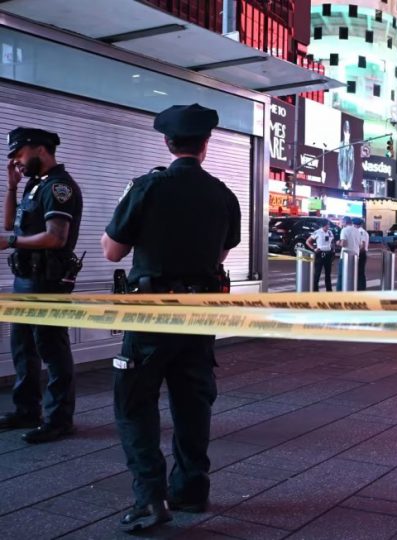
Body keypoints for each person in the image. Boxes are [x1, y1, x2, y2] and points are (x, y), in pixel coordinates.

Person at [101, 104, 241, 532]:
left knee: (134, 403)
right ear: (205, 144)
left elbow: (112, 251)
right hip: (199, 317)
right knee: (193, 404)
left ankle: (150, 498)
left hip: (150, 317)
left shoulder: (147, 187)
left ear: (167, 142)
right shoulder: (223, 194)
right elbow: (220, 254)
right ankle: (191, 490)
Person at [0, 127, 83, 444]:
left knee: (52, 349)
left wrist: (9, 242)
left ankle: (59, 419)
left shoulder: (59, 187)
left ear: (40, 149)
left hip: (48, 281)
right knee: (22, 348)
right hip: (25, 278)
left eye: (20, 155)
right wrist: (11, 188)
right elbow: (11, 224)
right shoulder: (34, 185)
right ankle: (26, 411)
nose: (17, 162)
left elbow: (55, 237)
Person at [306, 219, 334, 291]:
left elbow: (332, 242)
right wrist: (313, 249)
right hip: (320, 254)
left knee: (328, 274)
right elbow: (307, 241)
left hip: (328, 254)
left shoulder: (330, 232)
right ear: (324, 225)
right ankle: (315, 290)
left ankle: (329, 290)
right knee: (317, 274)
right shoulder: (317, 232)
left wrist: (332, 250)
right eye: (328, 224)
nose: (329, 225)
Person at [336, 216, 361, 290]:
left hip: (345, 257)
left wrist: (338, 243)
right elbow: (360, 244)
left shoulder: (344, 230)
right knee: (352, 276)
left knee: (341, 276)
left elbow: (344, 243)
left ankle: (339, 293)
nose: (341, 223)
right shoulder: (357, 230)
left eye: (342, 222)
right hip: (355, 256)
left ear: (345, 222)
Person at [337, 120, 354, 190]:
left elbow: (352, 167)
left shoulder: (352, 147)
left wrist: (349, 182)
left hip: (349, 183)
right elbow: (339, 164)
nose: (347, 134)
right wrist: (342, 182)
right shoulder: (341, 145)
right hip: (342, 182)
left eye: (349, 132)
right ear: (344, 132)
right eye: (346, 132)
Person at [354, 217, 369, 290]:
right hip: (361, 253)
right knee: (360, 272)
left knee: (360, 272)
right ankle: (360, 287)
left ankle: (361, 288)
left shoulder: (360, 232)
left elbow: (362, 245)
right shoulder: (362, 231)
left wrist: (357, 252)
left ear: (355, 225)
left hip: (361, 253)